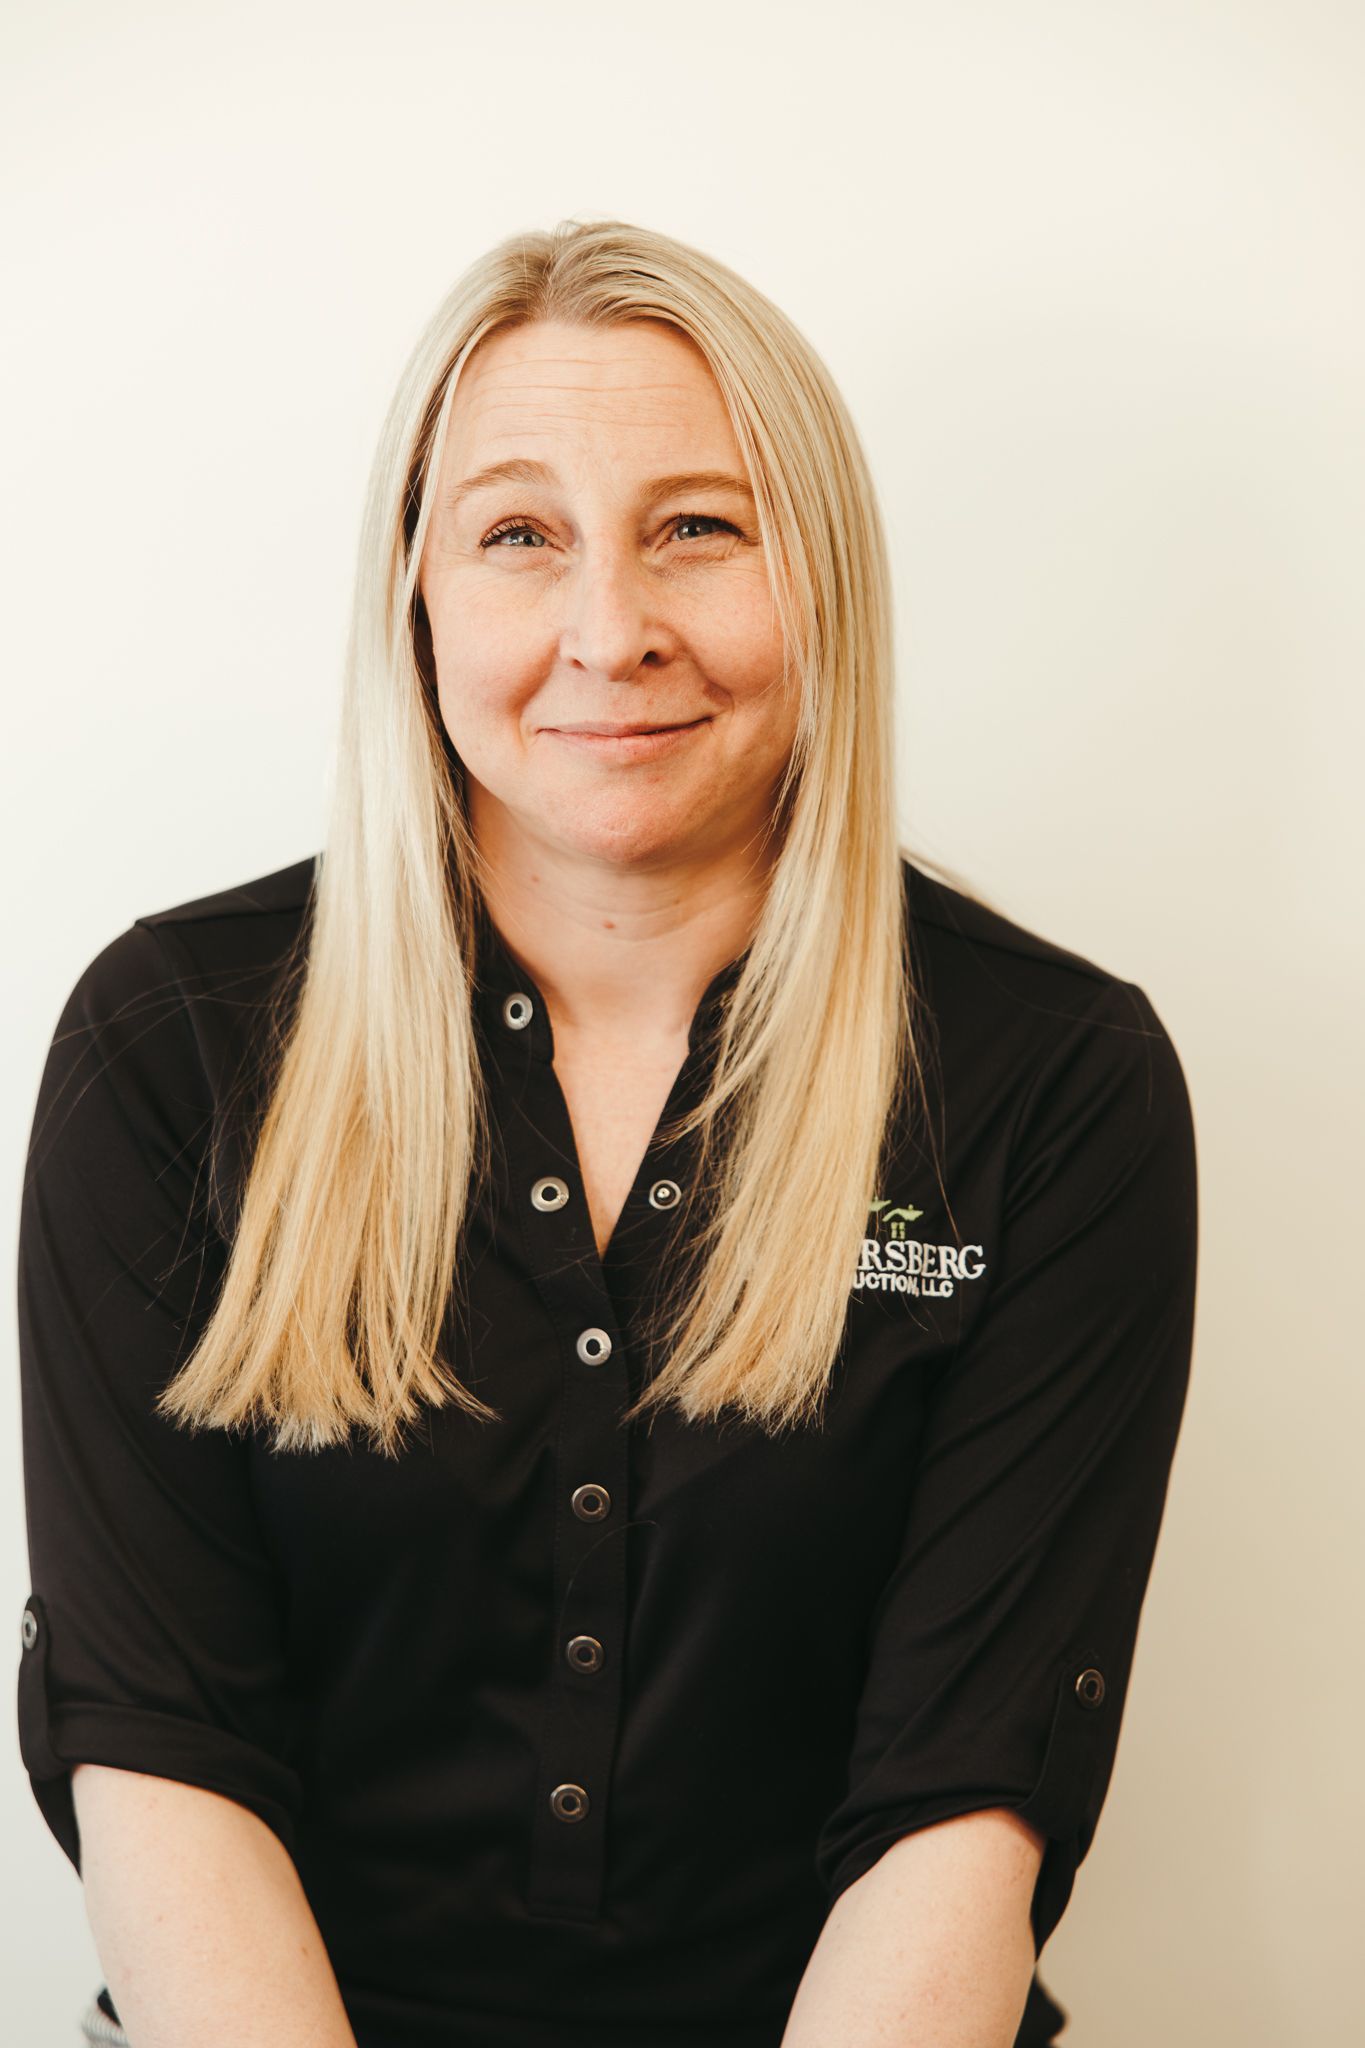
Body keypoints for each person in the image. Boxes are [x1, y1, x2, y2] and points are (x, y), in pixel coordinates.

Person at [16, 218, 1198, 2048]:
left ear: (820, 578)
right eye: (519, 535)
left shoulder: (1053, 1082)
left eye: (698, 528)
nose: (608, 630)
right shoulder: (170, 1045)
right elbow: (163, 1749)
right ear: (414, 592)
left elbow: (964, 1804)